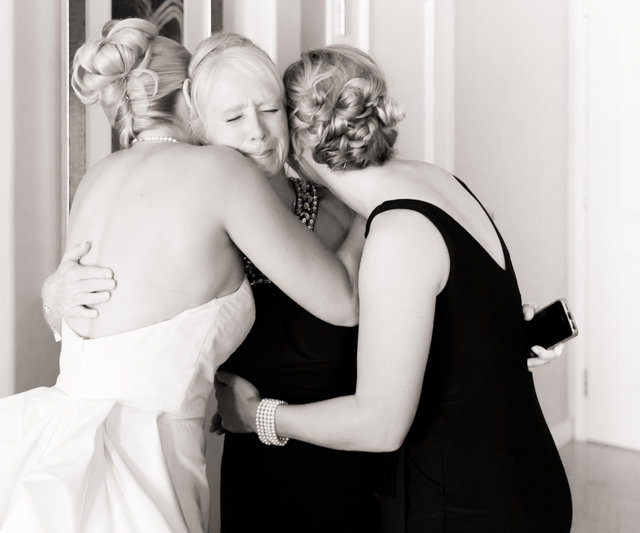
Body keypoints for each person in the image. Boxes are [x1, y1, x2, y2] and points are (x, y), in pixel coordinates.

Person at [43, 33, 564, 533]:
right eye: (232, 117)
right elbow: (120, 318)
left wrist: (481, 325)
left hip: (372, 483)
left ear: (294, 122)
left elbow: (394, 326)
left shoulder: (358, 215)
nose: (258, 132)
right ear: (200, 127)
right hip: (258, 485)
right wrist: (53, 297)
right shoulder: (199, 218)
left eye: (269, 110)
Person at [0, 20, 364, 533]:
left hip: (60, 445)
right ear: (192, 100)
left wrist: (48, 297)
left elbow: (96, 309)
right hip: (146, 455)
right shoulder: (221, 172)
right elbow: (343, 301)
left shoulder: (97, 179)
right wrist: (375, 210)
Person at [215, 45, 573, 532]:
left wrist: (259, 416)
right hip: (535, 477)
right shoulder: (438, 182)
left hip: (469, 505)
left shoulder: (396, 236)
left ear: (297, 144)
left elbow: (379, 426)